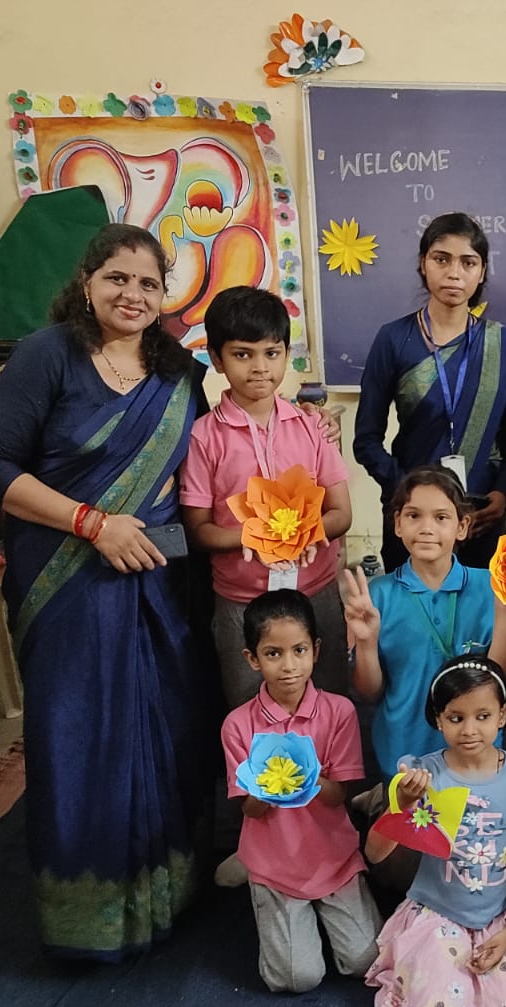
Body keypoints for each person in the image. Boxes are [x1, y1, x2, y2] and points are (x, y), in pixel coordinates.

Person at [0, 223, 210, 959]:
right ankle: (89, 914)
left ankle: (167, 892)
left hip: (157, 579)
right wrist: (91, 523)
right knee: (81, 736)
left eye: (148, 283)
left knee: (165, 726)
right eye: (117, 279)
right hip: (65, 581)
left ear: (164, 295)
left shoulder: (180, 371)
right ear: (87, 282)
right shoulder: (48, 355)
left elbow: (210, 458)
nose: (132, 294)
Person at [365, 655, 506, 1007]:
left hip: (504, 914)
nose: (469, 730)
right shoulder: (422, 775)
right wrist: (402, 805)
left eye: (483, 716)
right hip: (439, 913)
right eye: (456, 717)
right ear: (438, 719)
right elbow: (375, 853)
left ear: (502, 715)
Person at [180, 285, 353, 707]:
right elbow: (198, 530)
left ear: (286, 354)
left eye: (271, 353)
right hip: (241, 600)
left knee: (329, 700)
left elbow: (341, 513)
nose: (260, 367)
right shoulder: (203, 437)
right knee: (248, 706)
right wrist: (256, 538)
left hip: (315, 592)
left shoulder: (313, 427)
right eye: (242, 354)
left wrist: (304, 534)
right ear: (216, 359)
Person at [353, 212, 506, 571]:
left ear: (482, 271)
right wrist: (405, 491)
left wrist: (503, 492)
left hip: (481, 515)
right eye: (441, 259)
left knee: (477, 604)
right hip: (412, 518)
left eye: (468, 262)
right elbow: (366, 439)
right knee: (411, 604)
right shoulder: (393, 340)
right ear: (423, 264)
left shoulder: (500, 342)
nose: (454, 273)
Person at [222, 590, 379, 993]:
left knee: (366, 960)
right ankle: (250, 865)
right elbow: (250, 809)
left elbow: (338, 794)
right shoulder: (238, 725)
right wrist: (266, 789)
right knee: (297, 977)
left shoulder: (339, 712)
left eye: (299, 650)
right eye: (273, 654)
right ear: (252, 659)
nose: (289, 666)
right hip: (275, 862)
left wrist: (303, 776)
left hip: (332, 856)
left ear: (316, 650)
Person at [341, 465, 506, 780]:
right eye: (413, 516)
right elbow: (368, 693)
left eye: (441, 517)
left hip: (476, 755)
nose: (426, 528)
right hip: (402, 756)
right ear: (397, 524)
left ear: (462, 526)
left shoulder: (492, 587)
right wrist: (366, 641)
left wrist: (505, 612)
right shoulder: (378, 595)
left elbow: (504, 679)